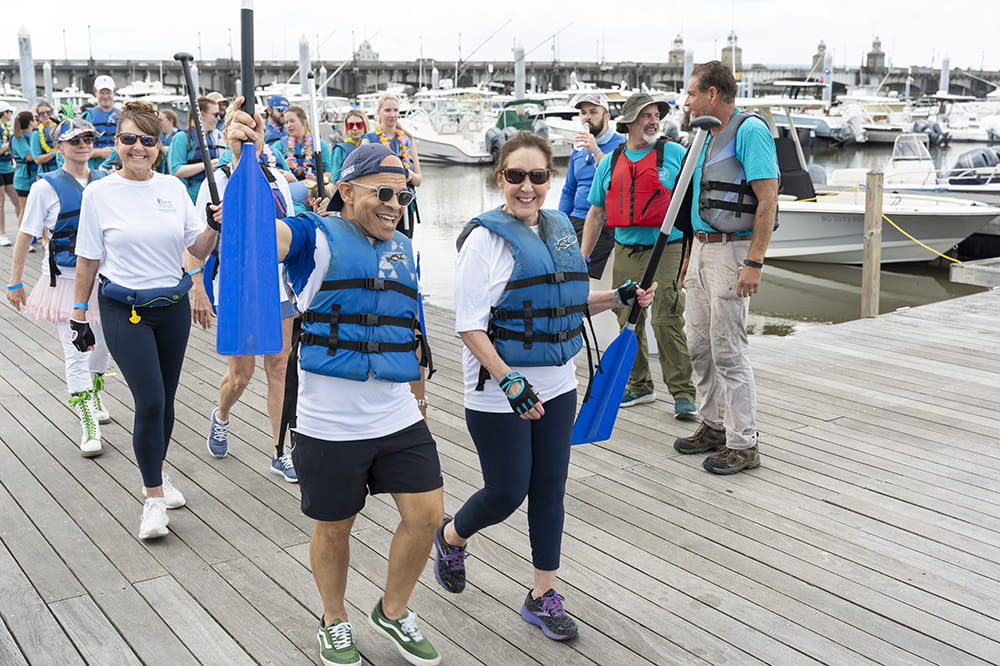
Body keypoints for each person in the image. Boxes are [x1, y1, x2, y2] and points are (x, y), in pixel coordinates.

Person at [226, 101, 443, 666]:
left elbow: (409, 334)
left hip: (397, 413)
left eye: (403, 196)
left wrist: (419, 400)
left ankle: (392, 612)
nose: (394, 205)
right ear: (348, 191)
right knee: (335, 527)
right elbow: (257, 236)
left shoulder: (406, 251)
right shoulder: (314, 238)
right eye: (382, 193)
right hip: (328, 421)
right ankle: (334, 618)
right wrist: (238, 157)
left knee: (427, 516)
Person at [435, 131, 656, 642]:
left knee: (550, 490)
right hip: (499, 392)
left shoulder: (559, 229)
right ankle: (450, 536)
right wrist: (508, 378)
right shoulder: (484, 241)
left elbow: (566, 301)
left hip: (558, 385)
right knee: (507, 491)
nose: (527, 187)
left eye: (537, 176)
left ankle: (542, 594)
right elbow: (469, 324)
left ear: (549, 179)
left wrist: (617, 296)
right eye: (516, 176)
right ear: (500, 178)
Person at [71, 101, 220, 540]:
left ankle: (154, 470)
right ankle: (153, 500)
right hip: (124, 308)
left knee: (167, 401)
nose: (137, 147)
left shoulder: (174, 188)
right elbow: (87, 259)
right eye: (128, 139)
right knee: (150, 400)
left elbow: (198, 249)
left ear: (158, 146)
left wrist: (215, 225)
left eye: (147, 140)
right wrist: (79, 316)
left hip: (171, 307)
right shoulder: (98, 192)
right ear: (115, 143)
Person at [673, 61, 779, 474]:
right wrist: (687, 258)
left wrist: (754, 262)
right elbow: (691, 207)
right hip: (700, 250)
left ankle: (743, 442)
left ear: (712, 94)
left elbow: (767, 200)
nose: (687, 101)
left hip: (733, 252)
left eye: (692, 93)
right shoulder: (703, 134)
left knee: (729, 351)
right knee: (698, 345)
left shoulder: (749, 131)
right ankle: (713, 425)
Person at [193, 110, 298, 482]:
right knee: (241, 374)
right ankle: (221, 415)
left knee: (280, 367)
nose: (249, 139)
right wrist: (214, 224)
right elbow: (196, 249)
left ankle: (279, 450)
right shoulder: (216, 181)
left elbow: (289, 233)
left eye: (256, 134)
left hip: (278, 285)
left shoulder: (278, 181)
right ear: (230, 136)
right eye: (242, 133)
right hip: (236, 286)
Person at [580, 92, 698, 420]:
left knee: (666, 317)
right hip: (627, 247)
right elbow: (596, 212)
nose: (653, 120)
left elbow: (691, 209)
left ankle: (683, 392)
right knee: (627, 317)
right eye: (645, 115)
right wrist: (582, 257)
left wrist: (691, 255)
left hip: (668, 247)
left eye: (655, 114)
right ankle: (640, 384)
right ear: (629, 122)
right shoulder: (611, 161)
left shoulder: (675, 154)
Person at [6, 118, 112, 457]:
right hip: (65, 281)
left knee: (102, 349)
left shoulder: (106, 181)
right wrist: (15, 279)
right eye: (74, 140)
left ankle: (95, 394)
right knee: (76, 351)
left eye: (87, 138)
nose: (82, 144)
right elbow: (26, 234)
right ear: (59, 147)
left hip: (104, 280)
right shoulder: (44, 187)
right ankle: (87, 423)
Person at [557, 93, 624, 279]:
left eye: (593, 112)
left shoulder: (622, 147)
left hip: (603, 222)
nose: (587, 117)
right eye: (583, 112)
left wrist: (595, 150)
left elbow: (617, 183)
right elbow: (568, 190)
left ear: (607, 117)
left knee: (575, 272)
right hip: (575, 219)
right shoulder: (578, 149)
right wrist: (560, 223)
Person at [169, 95, 226, 202]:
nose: (219, 118)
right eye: (216, 115)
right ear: (202, 115)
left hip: (215, 196)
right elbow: (176, 170)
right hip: (193, 197)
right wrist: (206, 165)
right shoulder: (182, 137)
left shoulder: (217, 137)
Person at [281, 105, 333, 213]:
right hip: (289, 189)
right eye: (286, 122)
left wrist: (316, 178)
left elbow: (329, 174)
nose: (289, 125)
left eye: (292, 121)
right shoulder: (280, 145)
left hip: (313, 189)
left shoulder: (320, 145)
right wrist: (284, 164)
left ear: (303, 122)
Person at [82, 75, 119, 170]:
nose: (105, 96)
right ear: (95, 93)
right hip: (93, 167)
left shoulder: (124, 116)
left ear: (114, 92)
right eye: (102, 92)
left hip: (118, 166)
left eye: (108, 92)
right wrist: (99, 152)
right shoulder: (87, 117)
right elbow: (78, 147)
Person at [10, 111, 38, 229]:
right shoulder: (19, 138)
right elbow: (29, 156)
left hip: (34, 176)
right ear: (31, 122)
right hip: (24, 179)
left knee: (35, 209)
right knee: (25, 209)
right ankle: (23, 240)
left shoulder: (32, 136)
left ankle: (33, 235)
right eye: (35, 119)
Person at [0, 102, 21, 245]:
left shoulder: (7, 127)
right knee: (0, 202)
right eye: (9, 112)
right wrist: (12, 141)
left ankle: (23, 232)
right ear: (4, 113)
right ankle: (2, 234)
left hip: (8, 167)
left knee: (18, 201)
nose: (11, 115)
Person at [328, 109, 367, 183]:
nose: (355, 128)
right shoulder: (339, 150)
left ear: (365, 126)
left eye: (359, 125)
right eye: (351, 125)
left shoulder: (372, 147)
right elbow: (335, 180)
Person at [31, 102, 60, 176]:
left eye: (48, 112)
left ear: (53, 113)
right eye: (42, 113)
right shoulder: (36, 134)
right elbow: (37, 159)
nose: (45, 115)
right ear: (38, 116)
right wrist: (55, 152)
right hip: (47, 173)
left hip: (63, 171)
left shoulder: (60, 129)